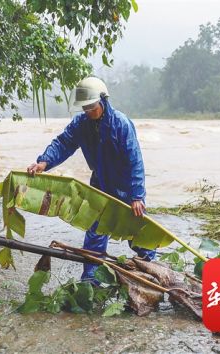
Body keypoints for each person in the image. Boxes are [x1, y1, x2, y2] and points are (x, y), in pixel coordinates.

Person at [27, 77, 156, 283]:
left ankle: (151, 274)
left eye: (92, 106)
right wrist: (44, 162)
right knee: (96, 232)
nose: (88, 111)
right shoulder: (81, 124)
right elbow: (63, 143)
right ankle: (90, 281)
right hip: (99, 184)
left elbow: (135, 162)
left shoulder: (121, 125)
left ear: (103, 101)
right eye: (85, 107)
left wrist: (137, 195)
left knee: (138, 233)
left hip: (125, 187)